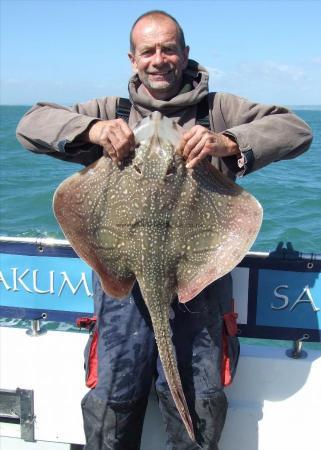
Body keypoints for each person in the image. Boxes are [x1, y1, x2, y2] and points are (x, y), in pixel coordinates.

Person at [16, 10, 312, 450]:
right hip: (123, 296)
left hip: (199, 289)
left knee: (195, 405)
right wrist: (93, 131)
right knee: (112, 408)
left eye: (168, 49)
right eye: (148, 51)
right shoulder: (108, 110)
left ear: (185, 54)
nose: (159, 59)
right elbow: (30, 125)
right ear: (133, 59)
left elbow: (296, 130)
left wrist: (228, 142)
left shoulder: (217, 110)